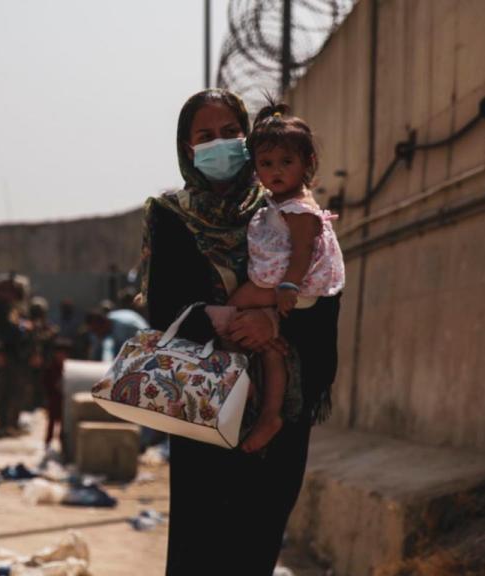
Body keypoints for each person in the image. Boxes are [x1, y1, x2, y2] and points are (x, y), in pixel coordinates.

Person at [140, 89, 340, 575]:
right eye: (206, 136)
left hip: (278, 403)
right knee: (200, 541)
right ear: (188, 148)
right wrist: (223, 318)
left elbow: (325, 287)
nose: (221, 143)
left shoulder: (284, 207)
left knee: (259, 535)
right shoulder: (172, 215)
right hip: (206, 402)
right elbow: (162, 305)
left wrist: (273, 319)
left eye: (231, 132)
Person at [227, 104, 345, 453]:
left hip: (286, 283)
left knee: (229, 312)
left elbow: (303, 252)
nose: (275, 171)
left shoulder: (299, 209)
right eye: (266, 164)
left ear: (307, 162)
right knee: (272, 351)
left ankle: (244, 383)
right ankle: (270, 413)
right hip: (283, 282)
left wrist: (288, 287)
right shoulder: (281, 201)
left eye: (286, 162)